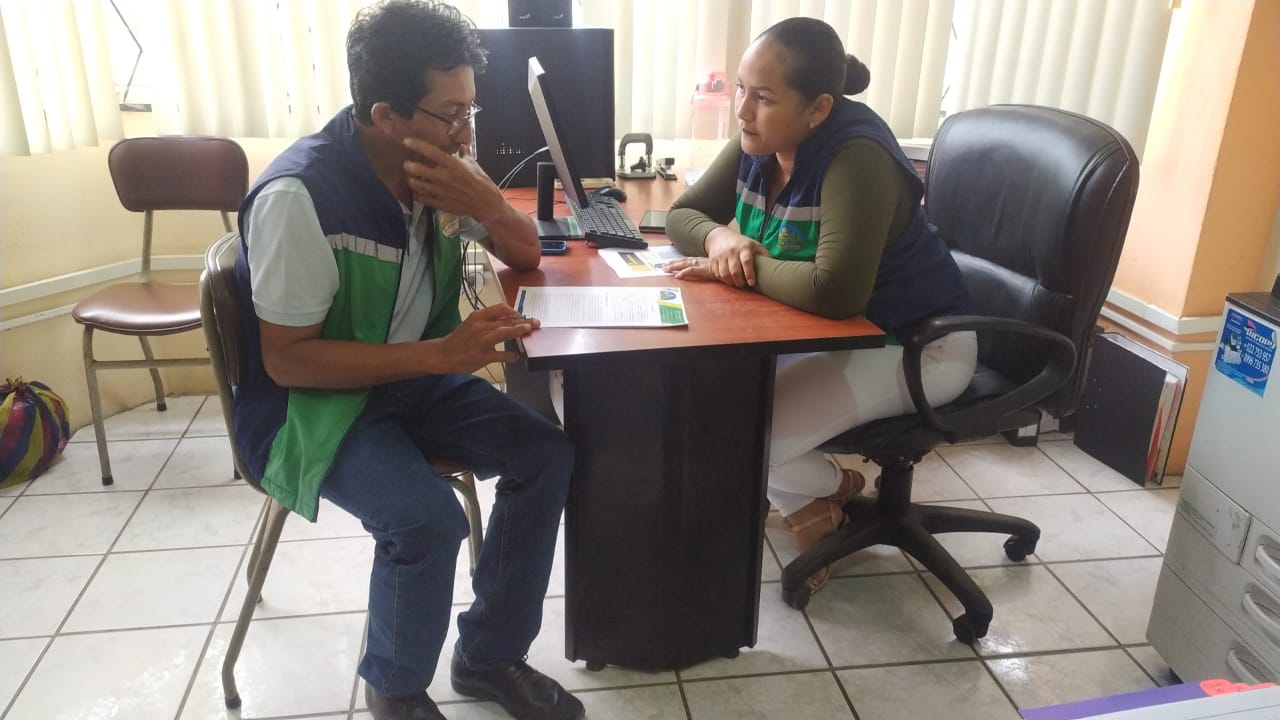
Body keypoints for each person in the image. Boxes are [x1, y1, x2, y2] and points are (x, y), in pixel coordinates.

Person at [230, 2, 583, 719]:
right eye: (451, 115)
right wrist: (444, 353)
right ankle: (393, 692)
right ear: (384, 114)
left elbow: (525, 251)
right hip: (313, 409)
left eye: (471, 110)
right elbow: (289, 363)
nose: (467, 132)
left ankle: (488, 656)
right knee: (427, 521)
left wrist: (487, 200)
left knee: (546, 453)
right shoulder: (300, 197)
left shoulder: (441, 166)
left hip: (413, 379)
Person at [664, 17, 977, 593]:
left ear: (818, 109)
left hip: (916, 345)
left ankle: (827, 492)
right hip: (821, 336)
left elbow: (835, 292)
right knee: (706, 405)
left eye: (762, 97)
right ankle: (813, 502)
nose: (742, 110)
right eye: (742, 89)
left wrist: (741, 266)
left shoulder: (856, 157)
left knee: (742, 439)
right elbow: (681, 216)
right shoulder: (762, 137)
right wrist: (721, 240)